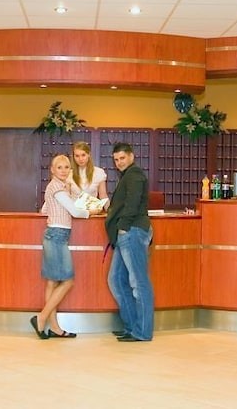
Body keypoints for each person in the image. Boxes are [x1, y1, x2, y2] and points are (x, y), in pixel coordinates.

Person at [30, 154, 100, 339]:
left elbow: (45, 210)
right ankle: (41, 318)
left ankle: (55, 328)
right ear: (52, 170)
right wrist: (92, 212)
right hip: (57, 237)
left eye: (66, 167)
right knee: (67, 281)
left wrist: (67, 193)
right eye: (59, 167)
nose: (63, 170)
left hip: (54, 236)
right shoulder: (56, 187)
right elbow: (75, 211)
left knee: (52, 282)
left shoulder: (57, 187)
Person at [104, 142, 154, 342]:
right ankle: (132, 326)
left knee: (139, 282)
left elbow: (133, 202)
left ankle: (142, 331)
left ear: (131, 156)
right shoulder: (128, 175)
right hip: (126, 233)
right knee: (116, 279)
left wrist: (123, 226)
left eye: (122, 158)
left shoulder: (134, 175)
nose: (119, 162)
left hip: (132, 231)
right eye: (116, 159)